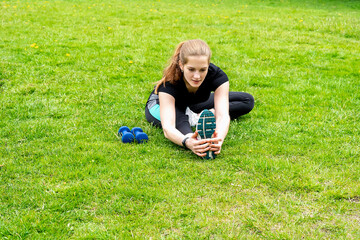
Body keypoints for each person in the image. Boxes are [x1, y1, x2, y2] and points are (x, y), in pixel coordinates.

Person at [145, 39, 254, 158]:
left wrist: (219, 139)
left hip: (193, 103)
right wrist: (187, 142)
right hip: (164, 106)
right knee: (190, 136)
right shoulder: (170, 83)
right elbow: (168, 128)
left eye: (203, 70)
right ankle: (193, 120)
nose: (197, 76)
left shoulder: (217, 75)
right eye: (191, 69)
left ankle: (198, 116)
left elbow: (223, 115)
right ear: (181, 65)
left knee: (247, 100)